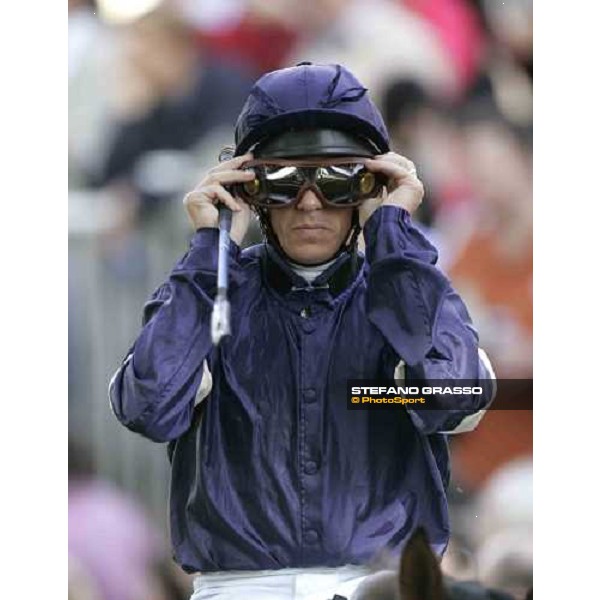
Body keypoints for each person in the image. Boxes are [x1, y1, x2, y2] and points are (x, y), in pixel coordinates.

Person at [109, 63, 496, 600]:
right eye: (284, 181)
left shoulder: (408, 289)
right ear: (249, 189)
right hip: (242, 588)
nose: (310, 202)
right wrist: (208, 248)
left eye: (338, 181)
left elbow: (452, 398)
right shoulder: (209, 290)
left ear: (373, 186)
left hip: (383, 586)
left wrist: (395, 237)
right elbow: (148, 407)